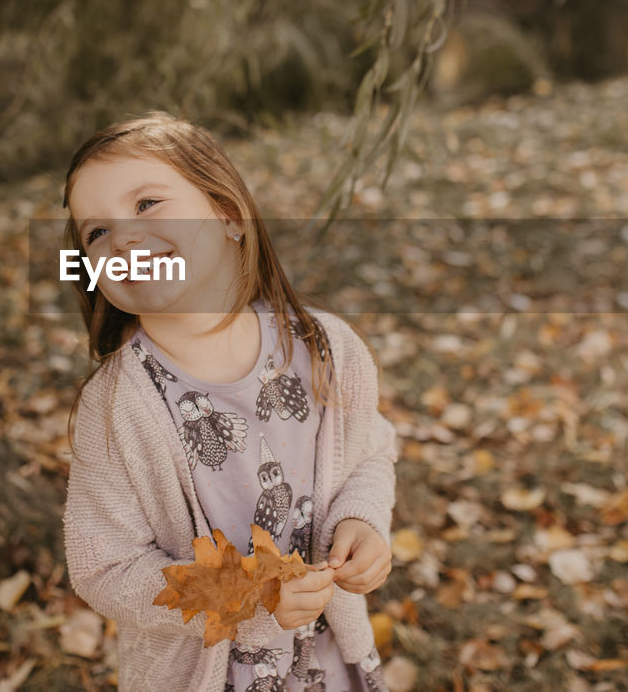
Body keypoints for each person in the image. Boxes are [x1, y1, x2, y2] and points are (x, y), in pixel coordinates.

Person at [61, 112, 398, 691]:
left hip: (327, 663)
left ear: (228, 216)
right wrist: (249, 595)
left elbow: (371, 453)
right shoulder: (116, 409)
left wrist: (362, 523)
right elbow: (104, 566)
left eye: (146, 204)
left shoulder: (326, 348)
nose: (123, 239)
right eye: (96, 233)